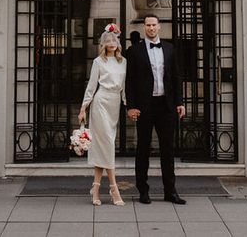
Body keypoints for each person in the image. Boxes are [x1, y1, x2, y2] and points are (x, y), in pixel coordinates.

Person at [125, 14, 187, 205]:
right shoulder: (134, 51)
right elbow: (130, 81)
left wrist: (179, 102)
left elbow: (176, 77)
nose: (151, 28)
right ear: (144, 28)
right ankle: (143, 190)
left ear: (159, 27)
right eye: (148, 25)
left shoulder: (169, 48)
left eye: (154, 24)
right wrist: (131, 106)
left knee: (167, 150)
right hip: (144, 107)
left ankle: (170, 191)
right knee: (143, 149)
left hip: (166, 106)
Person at [77, 24, 127, 207]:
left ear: (118, 42)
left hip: (114, 104)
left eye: (114, 40)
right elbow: (91, 87)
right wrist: (83, 108)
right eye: (108, 40)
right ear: (103, 43)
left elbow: (125, 88)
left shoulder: (124, 62)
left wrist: (128, 106)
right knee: (107, 144)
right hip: (100, 102)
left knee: (105, 146)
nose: (111, 43)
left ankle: (96, 187)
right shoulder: (99, 61)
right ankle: (114, 188)